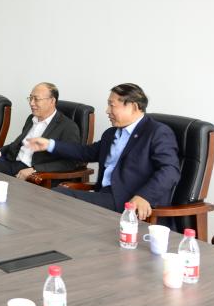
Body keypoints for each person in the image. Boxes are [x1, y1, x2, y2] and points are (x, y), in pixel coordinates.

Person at [27, 83, 180, 219]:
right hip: (104, 195)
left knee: (58, 196)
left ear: (133, 107)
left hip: (128, 201)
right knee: (55, 196)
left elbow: (170, 170)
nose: (107, 111)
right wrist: (50, 145)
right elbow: (86, 152)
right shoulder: (111, 133)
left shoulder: (157, 132)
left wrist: (144, 196)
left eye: (112, 105)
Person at [0, 82, 82, 181]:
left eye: (36, 99)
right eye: (30, 98)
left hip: (36, 174)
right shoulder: (31, 118)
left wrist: (35, 169)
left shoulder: (68, 127)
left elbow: (70, 162)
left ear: (52, 101)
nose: (31, 103)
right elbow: (17, 144)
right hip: (13, 163)